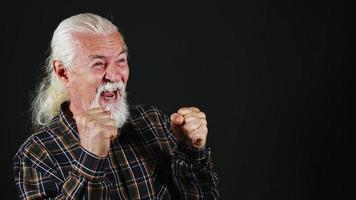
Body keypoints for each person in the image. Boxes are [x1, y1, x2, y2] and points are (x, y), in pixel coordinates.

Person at [13, 13, 219, 199]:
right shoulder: (37, 154)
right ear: (63, 73)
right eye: (98, 64)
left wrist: (191, 152)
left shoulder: (153, 121)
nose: (114, 75)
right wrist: (90, 160)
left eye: (121, 60)